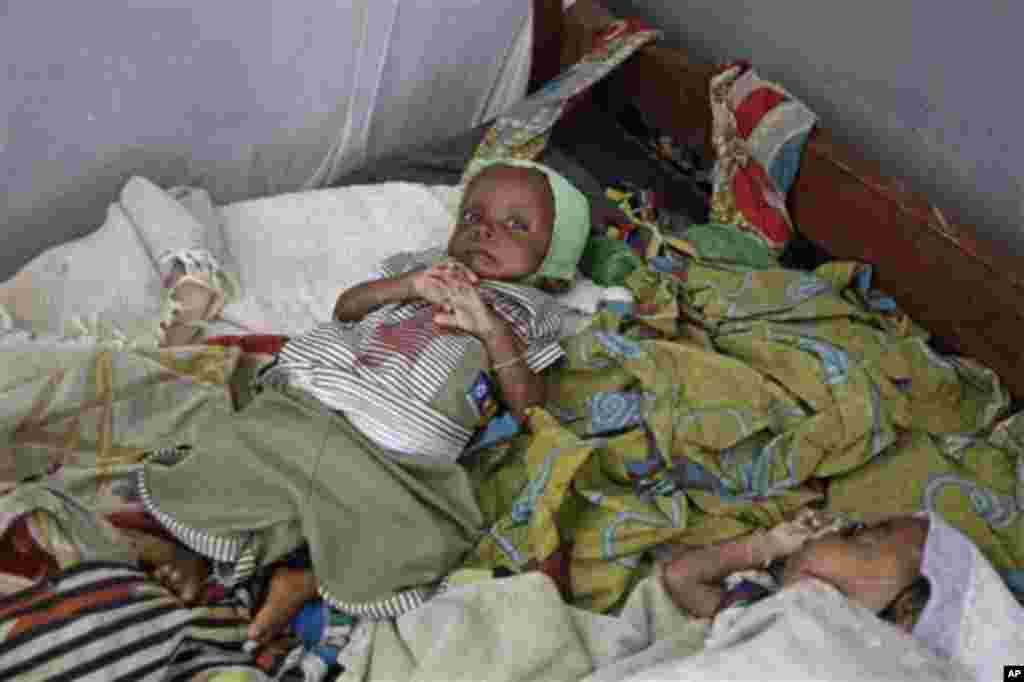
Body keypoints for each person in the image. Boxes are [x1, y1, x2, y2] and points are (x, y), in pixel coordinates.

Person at [136, 159, 592, 646]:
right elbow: (347, 308)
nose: (484, 232)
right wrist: (408, 286)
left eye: (515, 225)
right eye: (472, 217)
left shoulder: (530, 313)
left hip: (399, 460)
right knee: (236, 454)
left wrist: (491, 329)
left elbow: (529, 406)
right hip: (317, 402)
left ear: (553, 261)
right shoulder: (419, 267)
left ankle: (304, 580)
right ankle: (196, 552)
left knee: (427, 540)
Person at [659, 509, 932, 632]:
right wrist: (767, 546)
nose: (833, 529)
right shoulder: (761, 614)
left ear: (906, 609)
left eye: (856, 536)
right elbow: (682, 577)